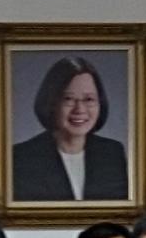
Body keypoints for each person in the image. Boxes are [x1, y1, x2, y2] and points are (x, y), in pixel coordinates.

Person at [11, 56, 129, 202]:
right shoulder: (22, 158)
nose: (79, 109)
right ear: (51, 102)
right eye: (68, 99)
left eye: (89, 99)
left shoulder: (112, 153)